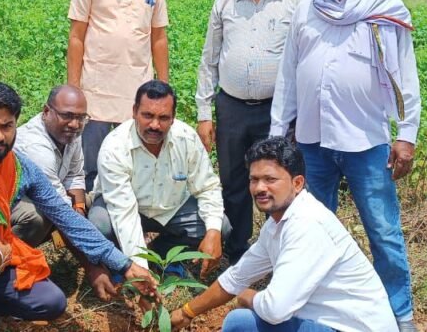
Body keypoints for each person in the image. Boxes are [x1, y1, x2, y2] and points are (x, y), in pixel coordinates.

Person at [0, 82, 156, 332]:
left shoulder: (21, 169)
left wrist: (124, 265)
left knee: (51, 302)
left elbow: (67, 218)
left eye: (7, 126)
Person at [269, 0, 421, 332]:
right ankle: (314, 305)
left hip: (365, 141)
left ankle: (399, 315)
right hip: (312, 142)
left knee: (383, 231)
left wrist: (406, 135)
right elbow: (288, 76)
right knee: (309, 229)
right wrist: (277, 134)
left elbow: (406, 75)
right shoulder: (307, 9)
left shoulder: (384, 6)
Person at [169, 137, 397, 332]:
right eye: (254, 179)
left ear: (297, 183)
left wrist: (247, 297)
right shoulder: (277, 225)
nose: (260, 188)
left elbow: (275, 309)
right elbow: (236, 277)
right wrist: (187, 312)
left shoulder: (307, 224)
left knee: (241, 323)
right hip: (328, 324)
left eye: (270, 179)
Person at [195, 0, 306, 262]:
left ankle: (281, 253)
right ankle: (237, 252)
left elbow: (305, 61)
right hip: (231, 108)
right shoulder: (224, 3)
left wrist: (301, 115)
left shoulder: (297, 3)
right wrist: (204, 113)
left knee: (278, 181)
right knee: (233, 181)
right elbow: (209, 60)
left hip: (277, 111)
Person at [67, 0, 170, 192]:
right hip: (95, 90)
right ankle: (89, 214)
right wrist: (74, 88)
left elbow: (158, 38)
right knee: (90, 164)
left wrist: (163, 87)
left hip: (137, 90)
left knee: (134, 163)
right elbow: (76, 37)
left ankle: (134, 215)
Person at [88, 80, 229, 278]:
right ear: (134, 112)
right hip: (126, 209)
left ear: (173, 118)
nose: (155, 125)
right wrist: (139, 270)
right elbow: (123, 213)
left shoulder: (186, 139)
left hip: (172, 209)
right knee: (99, 224)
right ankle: (120, 263)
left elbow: (207, 187)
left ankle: (162, 253)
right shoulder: (115, 147)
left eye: (163, 118)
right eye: (147, 115)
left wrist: (213, 232)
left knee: (220, 225)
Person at [11, 84, 116, 301]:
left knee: (95, 200)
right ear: (46, 111)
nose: (75, 124)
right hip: (12, 209)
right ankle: (3, 270)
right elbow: (59, 212)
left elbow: (75, 175)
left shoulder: (70, 133)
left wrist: (79, 208)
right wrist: (92, 268)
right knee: (37, 217)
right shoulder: (35, 147)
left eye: (81, 117)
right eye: (67, 116)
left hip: (54, 199)